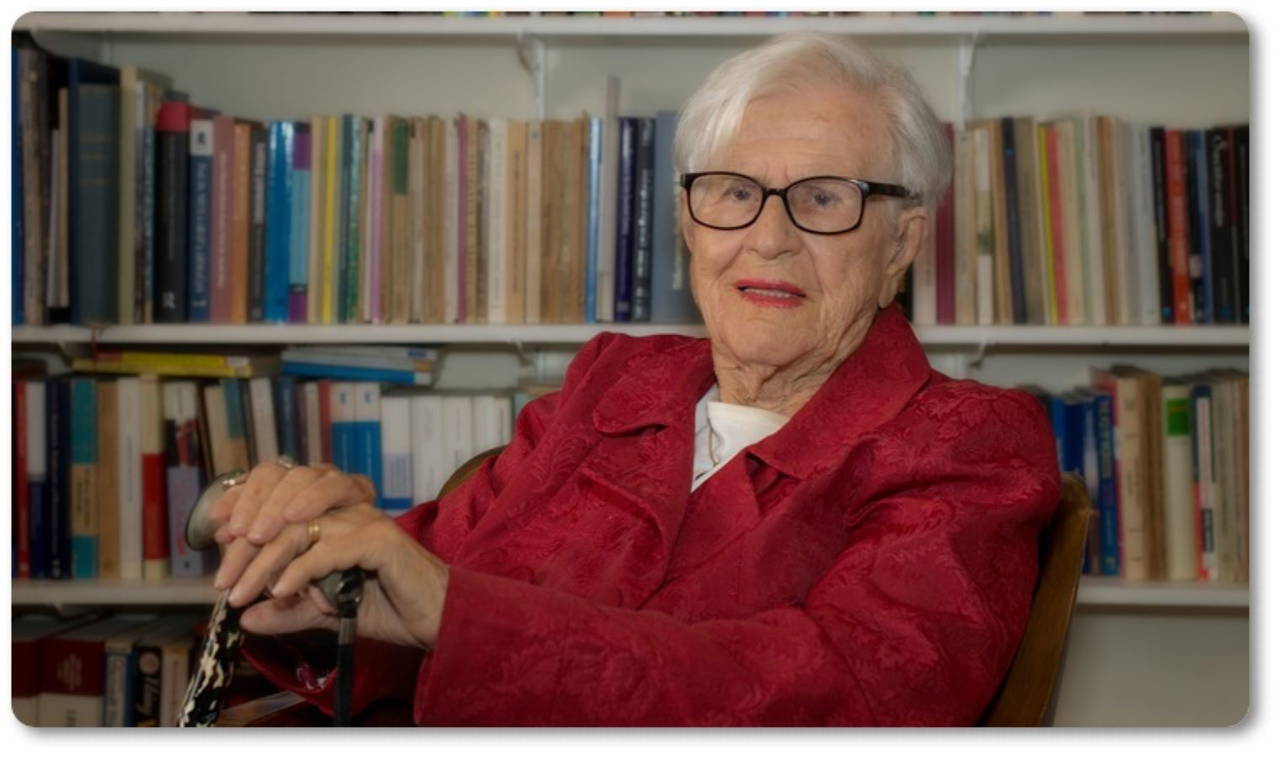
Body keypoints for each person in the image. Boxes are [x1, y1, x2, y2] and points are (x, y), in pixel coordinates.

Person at [210, 31, 1060, 726]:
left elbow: (856, 699)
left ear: (901, 245)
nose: (768, 238)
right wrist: (315, 575)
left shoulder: (967, 444)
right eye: (733, 192)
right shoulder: (614, 384)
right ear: (690, 224)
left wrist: (450, 611)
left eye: (826, 198)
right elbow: (418, 586)